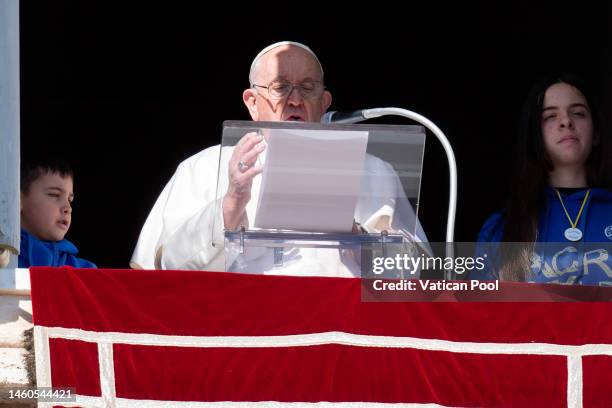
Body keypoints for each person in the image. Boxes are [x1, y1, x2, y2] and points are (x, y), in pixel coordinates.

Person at [131, 41, 427, 276]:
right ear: (252, 103)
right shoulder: (203, 168)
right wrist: (232, 203)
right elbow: (163, 268)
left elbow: (419, 274)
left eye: (307, 88)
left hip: (342, 336)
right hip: (248, 335)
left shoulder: (375, 171)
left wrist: (356, 237)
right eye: (281, 87)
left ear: (324, 103)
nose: (295, 99)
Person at [474, 73, 612, 284]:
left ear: (596, 134)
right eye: (550, 116)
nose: (566, 121)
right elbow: (476, 312)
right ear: (535, 136)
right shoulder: (502, 227)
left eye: (578, 113)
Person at [19, 159, 96, 268]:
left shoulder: (84, 271)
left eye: (70, 200)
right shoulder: (5, 260)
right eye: (54, 195)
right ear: (18, 200)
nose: (68, 208)